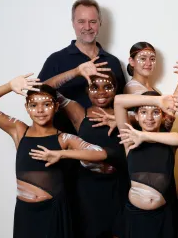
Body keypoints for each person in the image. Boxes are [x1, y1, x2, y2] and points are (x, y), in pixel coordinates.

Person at [0, 74, 109, 238]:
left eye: (46, 104)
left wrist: (61, 154)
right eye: (34, 105)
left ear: (56, 106)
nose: (40, 110)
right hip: (26, 212)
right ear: (26, 107)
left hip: (54, 210)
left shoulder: (63, 138)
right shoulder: (20, 131)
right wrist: (9, 86)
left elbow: (100, 153)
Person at [44, 58, 128, 238]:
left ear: (116, 89)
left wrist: (123, 120)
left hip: (119, 184)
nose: (101, 92)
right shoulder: (78, 113)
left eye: (108, 87)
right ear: (86, 90)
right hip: (87, 187)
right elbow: (44, 89)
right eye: (94, 86)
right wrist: (75, 72)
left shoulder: (124, 114)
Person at [38, 0, 126, 134]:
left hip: (108, 141)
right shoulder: (57, 59)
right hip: (66, 145)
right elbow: (38, 93)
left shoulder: (112, 62)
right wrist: (75, 72)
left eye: (92, 22)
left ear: (100, 23)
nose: (87, 27)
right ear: (73, 23)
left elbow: (122, 104)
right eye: (81, 22)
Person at [113, 92, 178, 238]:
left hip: (163, 215)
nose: (149, 118)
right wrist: (158, 101)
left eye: (155, 112)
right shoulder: (129, 138)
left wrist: (144, 136)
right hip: (135, 216)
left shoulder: (168, 140)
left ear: (164, 115)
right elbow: (118, 101)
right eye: (143, 112)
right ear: (136, 115)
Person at [124, 41, 178, 131]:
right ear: (132, 61)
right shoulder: (133, 87)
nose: (148, 63)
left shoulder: (153, 90)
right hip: (144, 143)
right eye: (143, 59)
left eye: (152, 59)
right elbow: (167, 113)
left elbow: (168, 116)